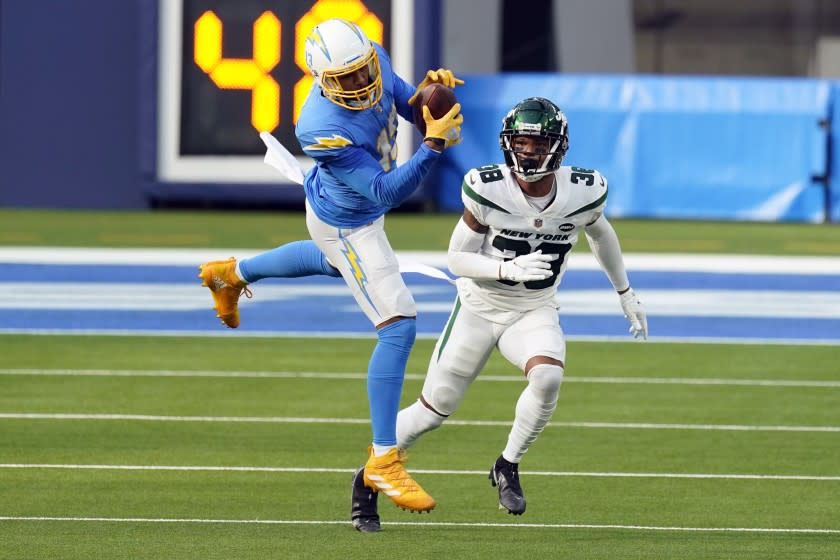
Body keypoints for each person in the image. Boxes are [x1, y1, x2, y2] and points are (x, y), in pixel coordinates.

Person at [197, 18, 464, 520]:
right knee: (398, 326)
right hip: (349, 221)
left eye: (363, 71)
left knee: (333, 263)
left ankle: (232, 274)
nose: (361, 84)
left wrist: (430, 99)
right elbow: (386, 192)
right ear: (321, 80)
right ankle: (384, 458)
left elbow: (406, 102)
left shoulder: (374, 58)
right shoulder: (318, 126)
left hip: (340, 214)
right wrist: (432, 146)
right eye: (345, 80)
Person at [350, 97, 648, 529]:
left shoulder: (583, 191)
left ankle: (507, 464)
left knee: (548, 376)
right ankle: (368, 476)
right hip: (478, 306)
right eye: (521, 143)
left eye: (536, 143)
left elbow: (601, 235)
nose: (526, 152)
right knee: (431, 413)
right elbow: (456, 258)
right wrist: (506, 268)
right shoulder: (489, 188)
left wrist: (625, 292)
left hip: (533, 308)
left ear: (557, 147)